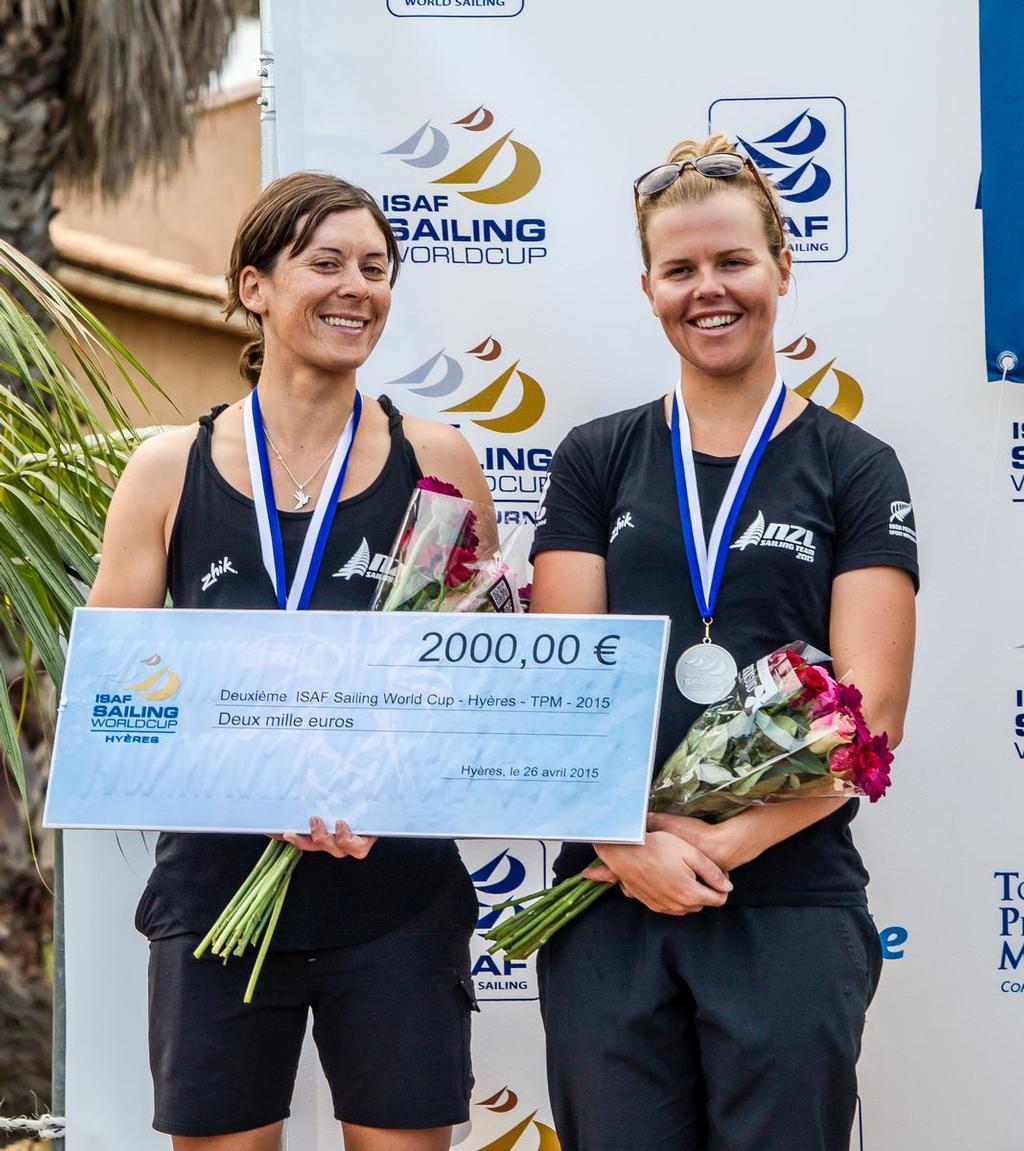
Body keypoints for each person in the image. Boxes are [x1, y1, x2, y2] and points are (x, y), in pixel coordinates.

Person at [88, 172, 493, 1151]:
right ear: (255, 285)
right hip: (220, 888)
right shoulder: (166, 470)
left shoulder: (435, 457)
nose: (357, 285)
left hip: (394, 890)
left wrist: (386, 783)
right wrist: (243, 783)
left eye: (376, 267)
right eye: (326, 263)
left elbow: (474, 678)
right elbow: (111, 700)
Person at [530, 135, 917, 1151]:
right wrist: (627, 842)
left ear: (781, 269)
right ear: (649, 286)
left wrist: (710, 846)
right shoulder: (594, 457)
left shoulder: (853, 465)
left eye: (733, 261)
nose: (710, 289)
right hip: (606, 894)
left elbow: (867, 716)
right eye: (681, 269)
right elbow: (556, 695)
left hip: (785, 899)